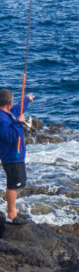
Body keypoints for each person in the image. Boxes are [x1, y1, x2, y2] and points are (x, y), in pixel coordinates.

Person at [0, 87, 35, 224]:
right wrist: (20, 124)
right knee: (13, 185)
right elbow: (10, 137)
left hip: (15, 156)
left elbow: (16, 110)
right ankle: (11, 214)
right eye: (12, 101)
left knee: (15, 183)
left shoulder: (6, 113)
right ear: (9, 102)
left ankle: (12, 210)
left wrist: (26, 100)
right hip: (11, 157)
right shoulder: (2, 119)